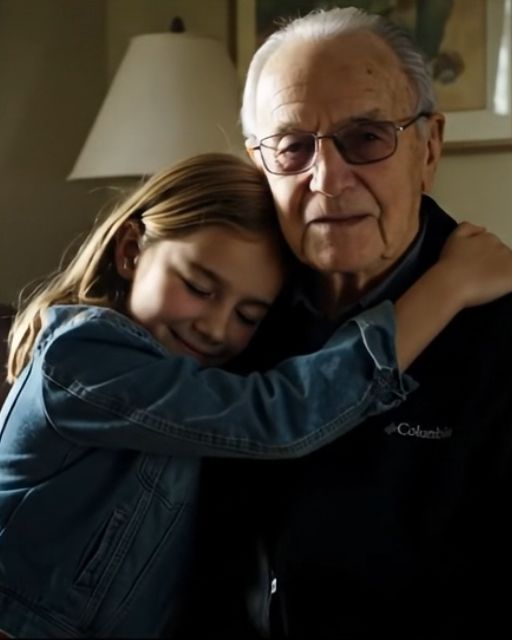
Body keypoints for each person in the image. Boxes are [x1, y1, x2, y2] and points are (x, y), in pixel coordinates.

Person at [1, 152, 506, 638]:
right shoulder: (80, 356)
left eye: (248, 315)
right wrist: (448, 286)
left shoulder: (195, 380)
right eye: (199, 287)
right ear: (131, 251)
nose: (216, 328)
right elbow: (281, 414)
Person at [185, 7, 512, 640]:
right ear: (259, 164)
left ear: (429, 148)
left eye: (366, 138)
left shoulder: (499, 328)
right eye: (292, 146)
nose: (329, 180)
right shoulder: (220, 316)